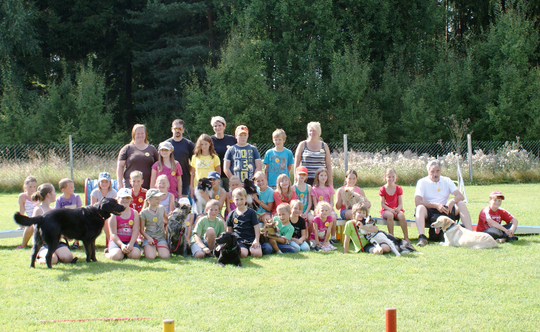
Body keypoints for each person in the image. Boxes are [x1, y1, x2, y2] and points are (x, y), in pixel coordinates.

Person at [414, 159, 472, 247]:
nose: (435, 174)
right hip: (429, 210)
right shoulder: (422, 182)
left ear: (440, 171)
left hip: (446, 209)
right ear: (428, 171)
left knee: (461, 203)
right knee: (419, 208)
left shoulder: (447, 180)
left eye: (437, 171)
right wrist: (435, 205)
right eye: (432, 171)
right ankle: (422, 237)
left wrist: (452, 201)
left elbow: (460, 196)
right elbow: (417, 202)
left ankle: (470, 234)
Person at [32, 183, 77, 264]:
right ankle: (38, 257)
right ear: (48, 195)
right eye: (54, 192)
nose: (56, 194)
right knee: (53, 260)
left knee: (68, 257)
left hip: (56, 242)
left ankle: (55, 254)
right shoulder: (38, 210)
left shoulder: (53, 210)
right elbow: (36, 230)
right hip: (43, 243)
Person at [117, 124, 159, 190]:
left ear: (145, 134)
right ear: (134, 135)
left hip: (148, 187)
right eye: (138, 133)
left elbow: (159, 166)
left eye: (142, 133)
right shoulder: (127, 148)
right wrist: (119, 182)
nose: (140, 135)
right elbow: (120, 166)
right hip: (130, 187)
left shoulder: (152, 149)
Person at [106, 188, 141, 260]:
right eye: (123, 198)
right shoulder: (114, 214)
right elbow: (113, 233)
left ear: (131, 200)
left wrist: (131, 244)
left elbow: (135, 230)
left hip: (130, 241)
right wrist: (121, 245)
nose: (125, 200)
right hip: (117, 242)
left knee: (135, 255)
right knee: (116, 256)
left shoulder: (134, 213)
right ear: (118, 199)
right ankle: (107, 253)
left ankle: (126, 252)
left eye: (127, 198)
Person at [226, 187, 262, 258]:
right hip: (239, 240)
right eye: (237, 199)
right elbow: (229, 231)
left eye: (241, 199)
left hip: (251, 239)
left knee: (257, 254)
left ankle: (253, 249)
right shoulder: (231, 214)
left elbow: (256, 227)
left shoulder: (251, 212)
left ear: (246, 199)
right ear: (233, 200)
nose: (239, 202)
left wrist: (256, 240)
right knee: (243, 254)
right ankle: (246, 250)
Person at [294, 121, 332, 186]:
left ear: (318, 132)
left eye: (314, 131)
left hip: (321, 181)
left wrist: (330, 182)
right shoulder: (302, 145)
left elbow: (328, 165)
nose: (312, 133)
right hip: (305, 180)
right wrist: (295, 179)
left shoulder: (324, 146)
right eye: (310, 131)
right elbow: (297, 164)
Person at [166, 119, 194, 198]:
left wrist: (190, 171)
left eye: (180, 129)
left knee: (183, 204)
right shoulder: (166, 144)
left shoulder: (189, 144)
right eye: (175, 128)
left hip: (184, 179)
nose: (177, 130)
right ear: (172, 129)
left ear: (183, 130)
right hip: (169, 179)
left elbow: (195, 161)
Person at [139, 189, 171, 259]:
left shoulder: (161, 208)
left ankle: (158, 247)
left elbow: (167, 219)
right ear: (149, 200)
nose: (159, 200)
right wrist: (148, 238)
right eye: (156, 199)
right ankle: (147, 248)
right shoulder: (143, 213)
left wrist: (171, 216)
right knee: (151, 257)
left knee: (165, 256)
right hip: (149, 239)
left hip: (160, 238)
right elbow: (141, 230)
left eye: (159, 198)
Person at [379, 168, 409, 242]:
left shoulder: (398, 188)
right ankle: (391, 236)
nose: (391, 178)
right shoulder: (383, 189)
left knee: (401, 215)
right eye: (389, 177)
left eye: (393, 176)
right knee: (390, 215)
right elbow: (382, 204)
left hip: (396, 209)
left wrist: (398, 209)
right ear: (385, 177)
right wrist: (390, 210)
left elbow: (400, 203)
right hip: (386, 210)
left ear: (395, 177)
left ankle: (406, 237)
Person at [310, 167, 338, 243]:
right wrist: (318, 211)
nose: (323, 177)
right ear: (317, 177)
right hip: (319, 210)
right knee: (316, 218)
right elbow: (315, 203)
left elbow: (332, 201)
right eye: (321, 175)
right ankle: (316, 237)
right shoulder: (314, 189)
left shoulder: (330, 188)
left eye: (325, 175)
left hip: (329, 210)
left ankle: (332, 237)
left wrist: (329, 210)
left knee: (333, 217)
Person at [210, 116, 237, 191]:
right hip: (216, 174)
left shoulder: (231, 139)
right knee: (218, 197)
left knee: (232, 196)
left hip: (230, 174)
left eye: (219, 125)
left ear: (224, 126)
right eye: (215, 126)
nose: (217, 128)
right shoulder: (210, 140)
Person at [55, 178, 83, 249]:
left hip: (75, 219)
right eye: (71, 187)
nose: (73, 188)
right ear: (63, 190)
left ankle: (76, 242)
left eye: (73, 187)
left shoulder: (76, 197)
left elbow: (80, 210)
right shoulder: (59, 200)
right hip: (64, 220)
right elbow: (57, 213)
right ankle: (60, 241)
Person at [190, 134, 220, 198]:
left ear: (210, 144)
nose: (204, 146)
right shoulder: (195, 157)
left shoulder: (215, 157)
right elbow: (192, 173)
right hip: (198, 187)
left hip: (210, 187)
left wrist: (215, 185)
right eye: (202, 144)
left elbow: (218, 174)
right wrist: (191, 186)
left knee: (209, 205)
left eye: (206, 144)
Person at [14, 176, 37, 250]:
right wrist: (21, 225)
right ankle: (23, 245)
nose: (32, 189)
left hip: (38, 218)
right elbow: (21, 211)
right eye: (30, 187)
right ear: (25, 186)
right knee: (30, 226)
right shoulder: (22, 196)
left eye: (34, 187)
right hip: (30, 220)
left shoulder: (38, 195)